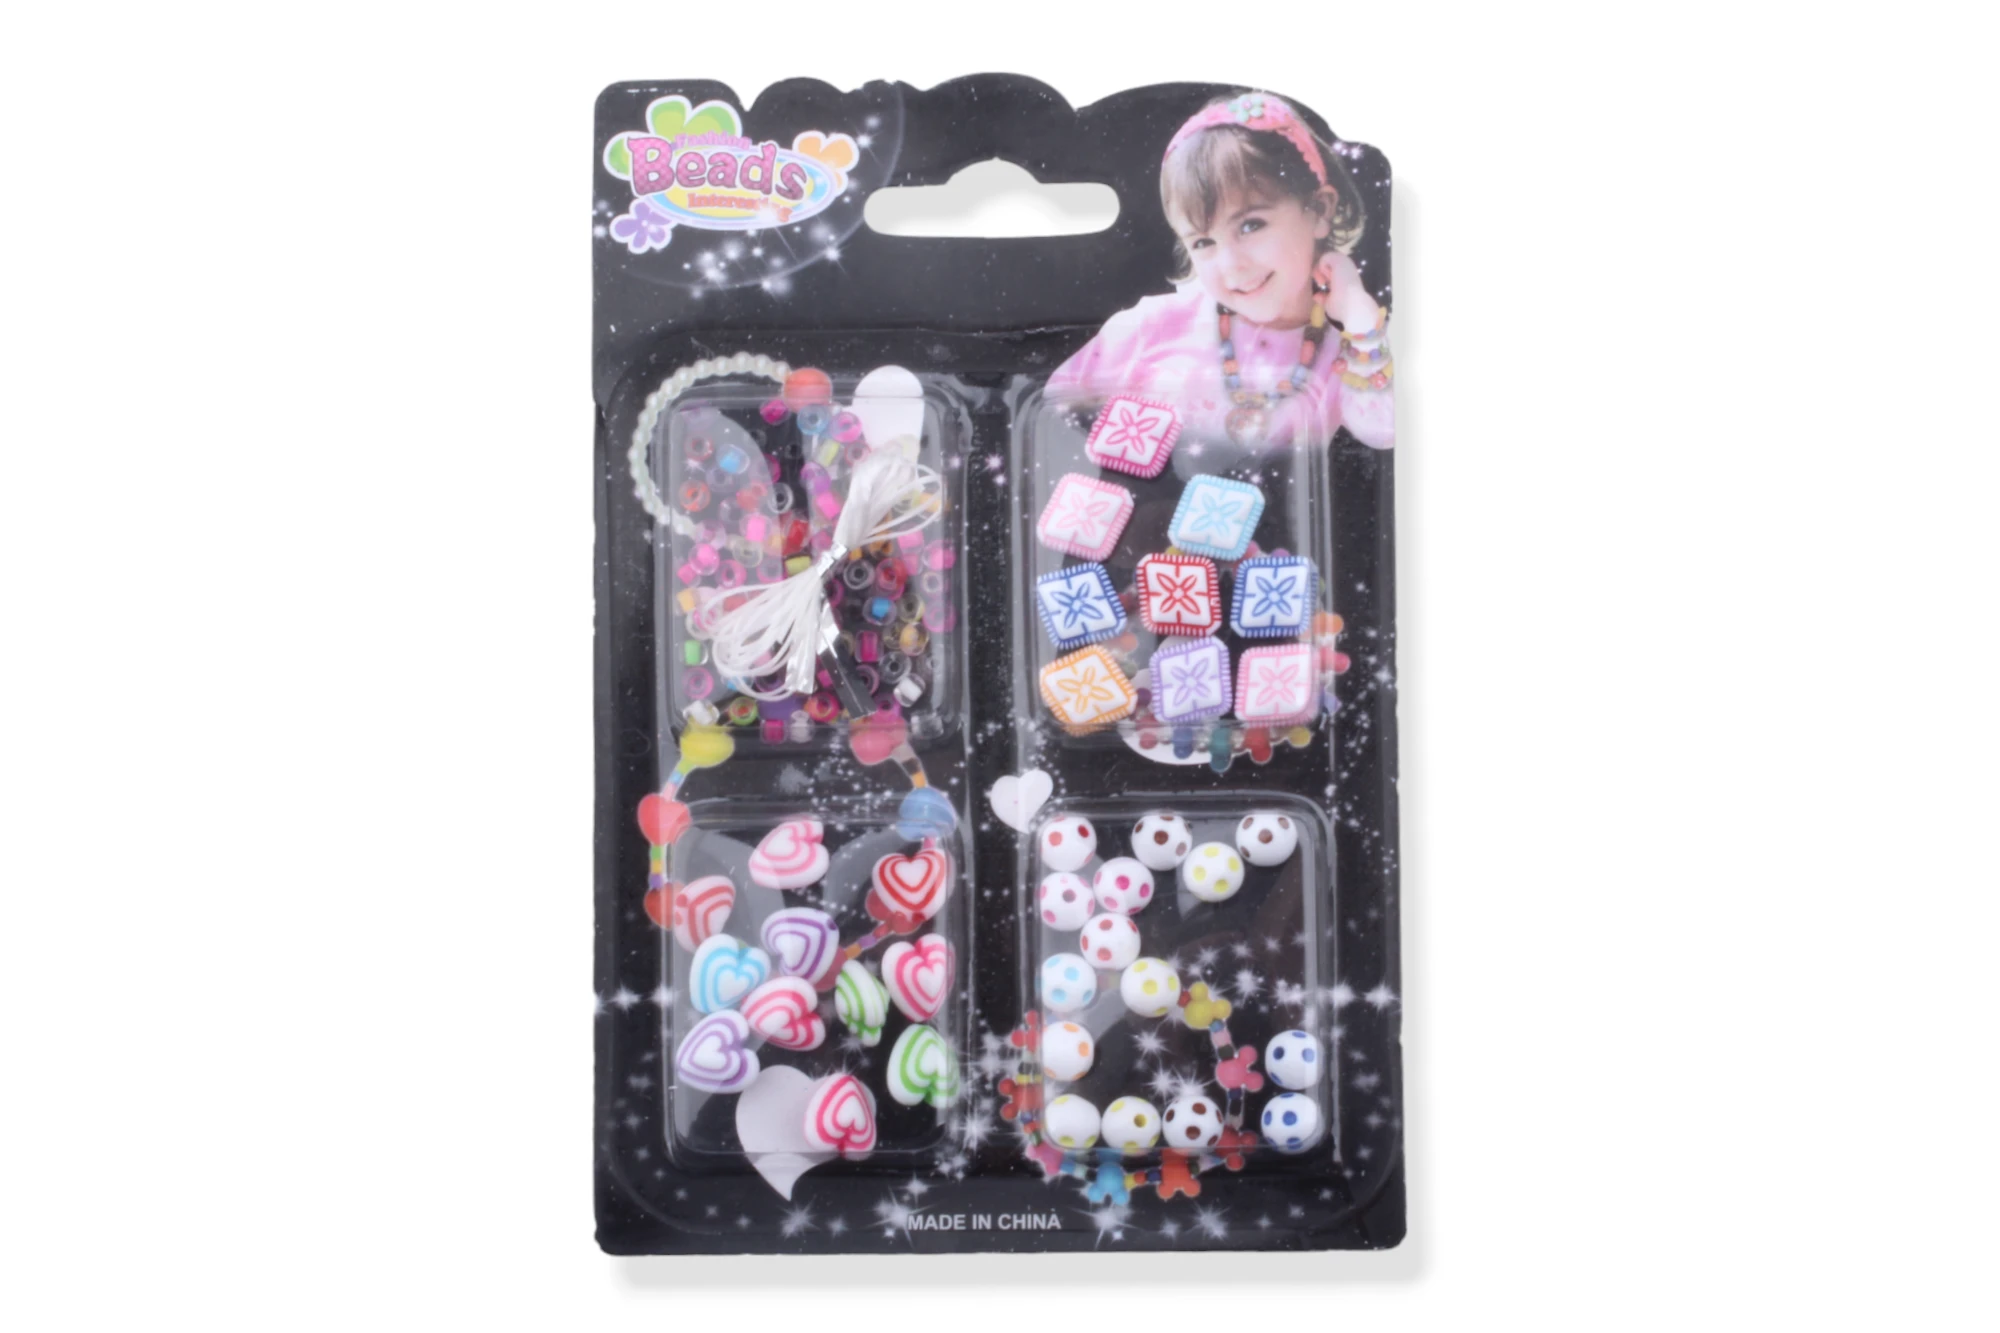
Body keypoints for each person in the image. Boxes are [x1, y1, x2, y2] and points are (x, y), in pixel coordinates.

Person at [1048, 92, 1394, 451]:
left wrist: (1360, 316)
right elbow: (1057, 401)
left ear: (1319, 210)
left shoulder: (1344, 358)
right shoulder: (1156, 325)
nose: (1230, 264)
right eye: (1203, 242)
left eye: (1251, 225)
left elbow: (1382, 429)